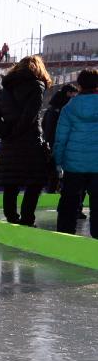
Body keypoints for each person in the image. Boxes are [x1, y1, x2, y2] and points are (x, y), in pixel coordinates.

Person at [0, 56, 51, 226]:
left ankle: (11, 218)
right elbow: (29, 116)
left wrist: (6, 133)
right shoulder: (37, 86)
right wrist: (16, 132)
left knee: (11, 183)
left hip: (9, 145)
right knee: (35, 183)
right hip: (30, 143)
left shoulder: (4, 91)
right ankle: (27, 219)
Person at [54, 69, 98, 237]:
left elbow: (61, 139)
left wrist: (58, 162)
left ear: (79, 85)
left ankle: (65, 239)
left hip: (73, 166)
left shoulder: (68, 108)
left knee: (69, 204)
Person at [43, 84, 79, 193]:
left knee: (53, 171)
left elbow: (44, 125)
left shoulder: (51, 109)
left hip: (50, 144)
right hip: (61, 144)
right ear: (68, 93)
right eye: (73, 96)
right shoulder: (63, 110)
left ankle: (51, 190)